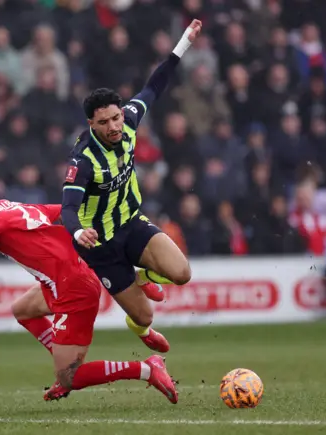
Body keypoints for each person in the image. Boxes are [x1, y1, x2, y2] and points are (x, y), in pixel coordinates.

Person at [0, 176, 179, 403]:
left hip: (73, 288)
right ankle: (64, 359)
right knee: (22, 310)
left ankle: (146, 368)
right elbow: (65, 211)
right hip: (60, 282)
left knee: (72, 377)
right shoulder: (17, 207)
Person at [61, 20, 201, 352]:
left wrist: (183, 43)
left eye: (116, 118)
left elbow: (155, 85)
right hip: (101, 247)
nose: (113, 126)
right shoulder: (83, 161)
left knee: (181, 273)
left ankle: (143, 277)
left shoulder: (130, 120)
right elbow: (67, 207)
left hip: (130, 223)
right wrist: (78, 232)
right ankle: (136, 326)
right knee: (145, 316)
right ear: (90, 123)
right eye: (104, 122)